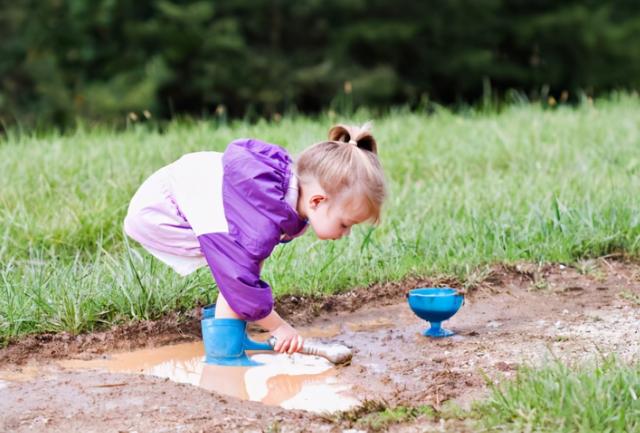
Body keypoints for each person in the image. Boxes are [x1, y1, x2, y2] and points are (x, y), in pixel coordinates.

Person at [123, 123, 386, 354]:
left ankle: (229, 326)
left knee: (244, 262)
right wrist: (280, 328)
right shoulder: (260, 217)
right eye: (345, 224)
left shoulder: (279, 193)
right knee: (238, 271)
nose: (345, 234)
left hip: (184, 191)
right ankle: (224, 351)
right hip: (161, 212)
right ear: (317, 201)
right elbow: (239, 276)